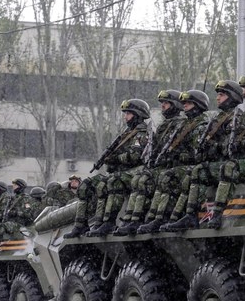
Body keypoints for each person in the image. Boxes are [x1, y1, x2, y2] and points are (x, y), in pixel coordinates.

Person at [162, 80, 244, 232]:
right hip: (213, 161)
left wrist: (214, 148)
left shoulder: (236, 117)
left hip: (228, 162)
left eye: (221, 95)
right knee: (197, 171)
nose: (217, 98)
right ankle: (189, 215)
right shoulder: (217, 118)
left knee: (224, 168)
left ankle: (217, 213)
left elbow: (232, 145)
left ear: (232, 96)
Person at [64, 98, 151, 238]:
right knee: (86, 185)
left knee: (112, 182)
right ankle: (81, 224)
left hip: (136, 171)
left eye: (128, 113)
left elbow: (135, 156)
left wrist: (115, 158)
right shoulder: (126, 133)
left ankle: (108, 221)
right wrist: (110, 161)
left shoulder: (141, 133)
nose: (125, 117)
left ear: (137, 114)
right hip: (121, 172)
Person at [105, 90, 184, 236]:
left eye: (166, 103)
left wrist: (117, 158)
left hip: (168, 167)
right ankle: (122, 219)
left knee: (146, 180)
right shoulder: (162, 126)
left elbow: (135, 155)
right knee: (129, 180)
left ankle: (148, 218)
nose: (163, 106)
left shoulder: (178, 125)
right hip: (157, 165)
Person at [133, 90, 209, 234]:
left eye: (166, 103)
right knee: (142, 178)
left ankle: (165, 217)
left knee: (166, 177)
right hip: (168, 164)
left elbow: (197, 152)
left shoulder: (197, 124)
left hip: (185, 166)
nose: (163, 106)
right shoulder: (176, 125)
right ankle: (144, 218)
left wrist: (175, 156)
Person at [0, 178, 36, 257]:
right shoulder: (13, 198)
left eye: (15, 185)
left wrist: (15, 213)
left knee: (2, 226)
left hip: (20, 224)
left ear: (21, 187)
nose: (13, 187)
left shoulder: (26, 199)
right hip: (12, 222)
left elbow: (29, 214)